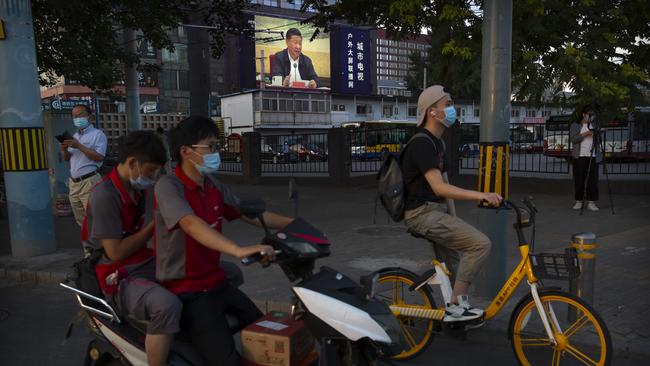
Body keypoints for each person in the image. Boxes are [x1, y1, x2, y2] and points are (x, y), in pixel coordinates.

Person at [154, 115, 294, 365]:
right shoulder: (169, 186)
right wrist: (238, 250)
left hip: (216, 283)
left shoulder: (211, 184)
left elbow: (245, 212)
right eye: (211, 146)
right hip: (187, 291)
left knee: (264, 331)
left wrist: (293, 224)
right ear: (186, 152)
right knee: (227, 360)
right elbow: (190, 223)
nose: (217, 152)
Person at [401, 85, 502, 322]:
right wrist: (481, 195)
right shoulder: (421, 143)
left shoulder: (438, 143)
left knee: (455, 262)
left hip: (434, 212)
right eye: (447, 105)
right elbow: (439, 187)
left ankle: (455, 310)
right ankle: (456, 304)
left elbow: (445, 184)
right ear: (431, 112)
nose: (452, 109)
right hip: (421, 214)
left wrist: (453, 219)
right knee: (480, 244)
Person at [82, 131, 181, 366]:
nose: (154, 176)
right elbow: (115, 253)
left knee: (214, 273)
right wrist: (151, 227)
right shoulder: (104, 195)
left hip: (141, 262)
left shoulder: (138, 190)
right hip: (114, 274)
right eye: (151, 169)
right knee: (167, 305)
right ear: (133, 163)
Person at [60, 104, 108, 226]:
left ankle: (101, 244)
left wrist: (79, 146)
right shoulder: (75, 136)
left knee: (95, 219)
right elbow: (67, 159)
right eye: (74, 116)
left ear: (90, 117)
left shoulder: (98, 135)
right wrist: (63, 150)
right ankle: (89, 244)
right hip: (74, 184)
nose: (77, 118)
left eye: (80, 115)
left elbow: (99, 157)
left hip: (90, 181)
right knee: (82, 222)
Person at [570, 104, 602, 211]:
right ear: (584, 114)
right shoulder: (576, 125)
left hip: (593, 156)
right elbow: (574, 139)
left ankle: (591, 202)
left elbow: (599, 140)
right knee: (579, 179)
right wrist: (586, 134)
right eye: (589, 114)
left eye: (593, 115)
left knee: (592, 180)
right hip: (579, 156)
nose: (591, 116)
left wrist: (599, 133)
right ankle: (579, 201)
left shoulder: (595, 125)